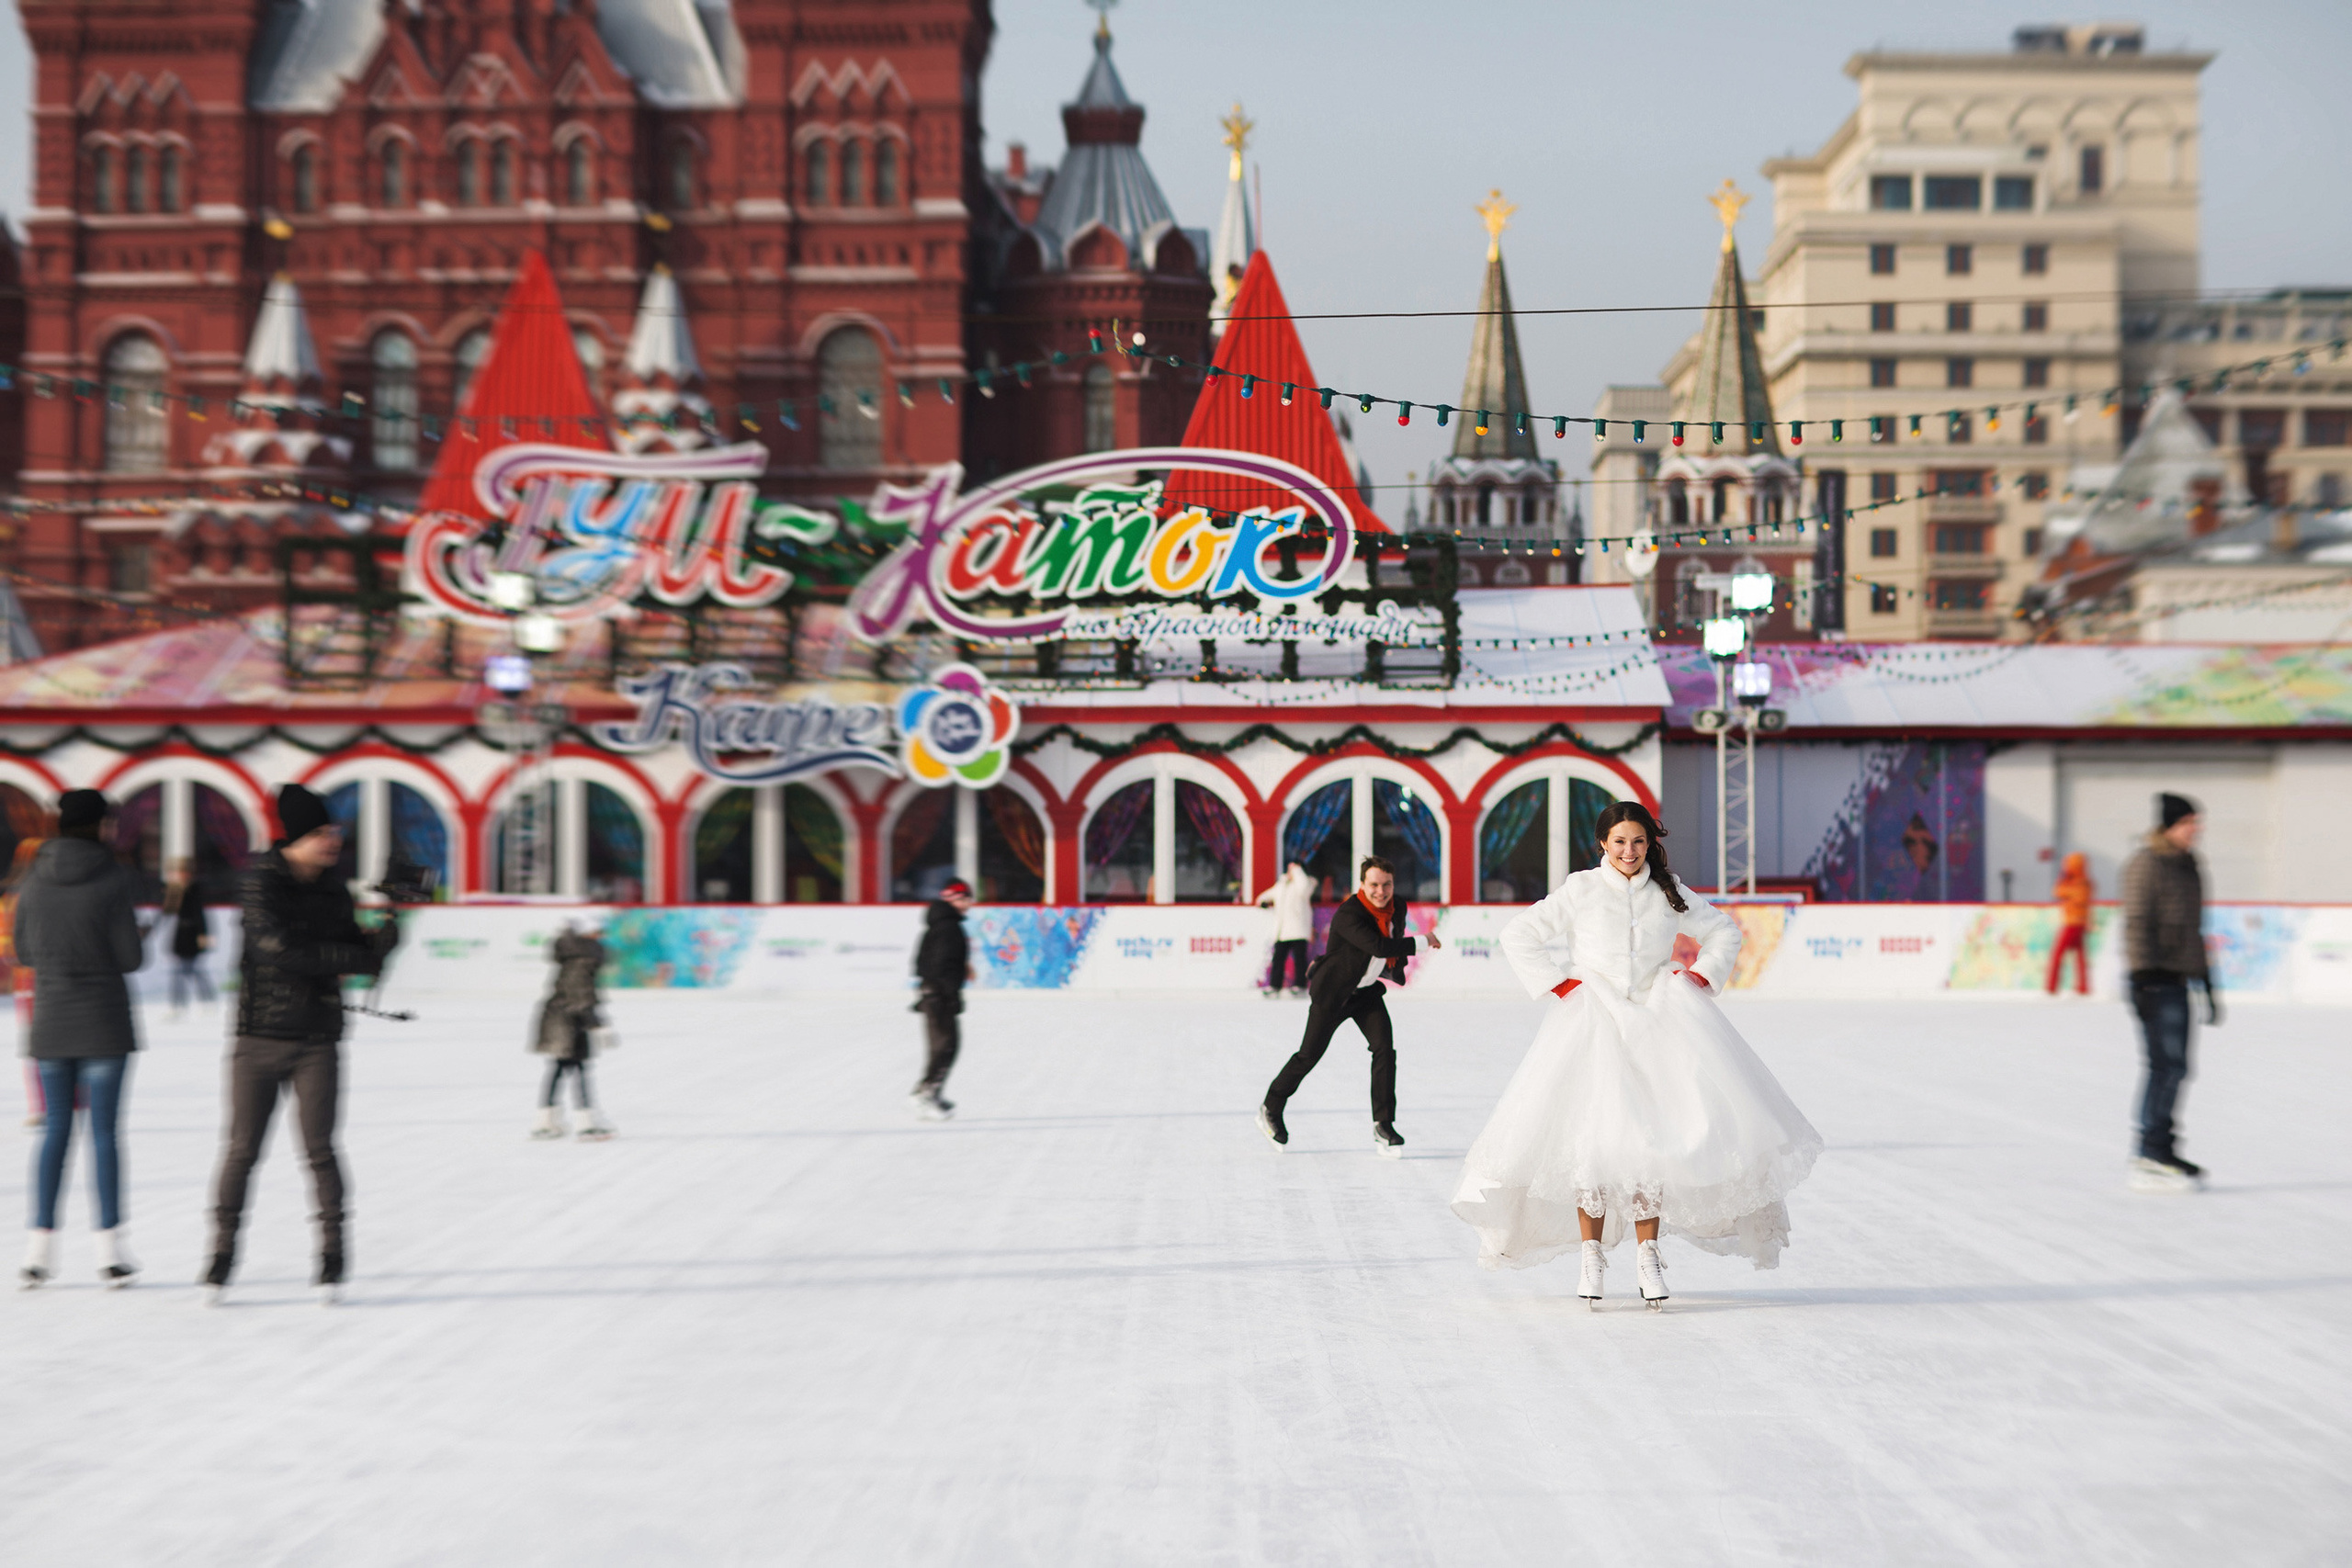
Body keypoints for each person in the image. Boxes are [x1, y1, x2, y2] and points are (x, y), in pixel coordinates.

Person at [1452, 802, 1822, 1312]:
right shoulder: (1581, 889)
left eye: (1639, 842)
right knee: (1594, 1145)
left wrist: (1700, 975)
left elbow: (1724, 931)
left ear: (1651, 844)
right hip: (1593, 1024)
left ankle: (1649, 1253)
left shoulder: (1668, 890)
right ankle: (1592, 1255)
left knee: (1653, 1143)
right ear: (1603, 843)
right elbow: (1520, 933)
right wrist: (1557, 983)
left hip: (1659, 1025)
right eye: (1620, 841)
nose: (1629, 851)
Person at [204, 783, 399, 1305]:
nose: (332, 841)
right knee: (242, 1150)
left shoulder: (335, 891)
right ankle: (221, 1258)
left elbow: (363, 956)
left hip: (317, 1038)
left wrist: (385, 933)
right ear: (294, 838)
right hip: (258, 1039)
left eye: (334, 831)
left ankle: (332, 1259)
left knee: (320, 1150)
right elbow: (276, 949)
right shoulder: (260, 883)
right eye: (320, 833)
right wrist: (350, 956)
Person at [15, 790, 146, 1291]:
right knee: (104, 1134)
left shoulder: (32, 880)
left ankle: (38, 1252)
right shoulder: (114, 878)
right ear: (97, 826)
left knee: (53, 1133)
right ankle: (110, 1252)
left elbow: (24, 951)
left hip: (50, 1021)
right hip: (105, 1021)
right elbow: (130, 957)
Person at [1258, 855, 1438, 1156]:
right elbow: (1379, 946)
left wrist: (1393, 967)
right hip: (1334, 993)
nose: (1381, 891)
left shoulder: (1398, 907)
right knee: (1308, 1055)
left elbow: (1389, 941)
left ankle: (1384, 1124)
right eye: (1374, 885)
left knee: (1384, 1049)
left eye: (1387, 884)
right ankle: (1271, 1106)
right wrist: (1423, 941)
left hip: (1366, 991)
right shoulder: (1348, 914)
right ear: (1362, 886)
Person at [2122, 793, 2217, 1190]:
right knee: (2165, 1067)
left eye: (2198, 822)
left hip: (2179, 979)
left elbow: (2195, 930)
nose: (2196, 830)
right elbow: (2138, 922)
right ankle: (2149, 1151)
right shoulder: (2147, 864)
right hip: (2154, 980)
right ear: (2170, 826)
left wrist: (2207, 982)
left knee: (2176, 1068)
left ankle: (2161, 1147)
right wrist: (2142, 977)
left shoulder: (2189, 866)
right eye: (2189, 823)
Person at [531, 920, 614, 1141]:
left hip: (561, 1019)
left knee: (562, 1069)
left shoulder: (576, 957)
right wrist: (598, 1025)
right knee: (575, 1069)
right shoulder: (583, 960)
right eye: (597, 932)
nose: (601, 937)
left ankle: (548, 1120)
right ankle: (584, 1122)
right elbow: (581, 996)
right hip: (567, 1021)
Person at [910, 879, 974, 1121]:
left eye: (969, 898)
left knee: (946, 1045)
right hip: (939, 995)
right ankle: (924, 1095)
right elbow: (939, 965)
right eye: (964, 898)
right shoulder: (948, 927)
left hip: (935, 993)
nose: (968, 903)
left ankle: (930, 1092)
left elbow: (922, 961)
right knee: (945, 1046)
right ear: (951, 899)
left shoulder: (942, 925)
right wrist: (943, 994)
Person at [163, 859, 216, 1017]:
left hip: (191, 936)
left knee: (190, 972)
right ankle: (186, 1004)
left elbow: (199, 915)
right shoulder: (176, 890)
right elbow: (169, 911)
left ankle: (200, 1003)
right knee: (186, 972)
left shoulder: (194, 890)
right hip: (181, 937)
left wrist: (203, 935)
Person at [1257, 861, 1315, 998]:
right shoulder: (1282, 885)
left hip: (1298, 929)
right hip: (1282, 931)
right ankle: (1275, 985)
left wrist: (1297, 871)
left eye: (1294, 869)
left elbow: (1304, 888)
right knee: (1278, 958)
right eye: (1290, 869)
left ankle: (1300, 985)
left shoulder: (1306, 883)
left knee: (1300, 959)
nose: (1291, 871)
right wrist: (1263, 902)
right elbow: (1265, 896)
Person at [2046, 852, 2093, 997]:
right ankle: (2083, 987)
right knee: (2079, 956)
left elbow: (2065, 893)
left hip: (2073, 923)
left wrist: (2065, 885)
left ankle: (2052, 987)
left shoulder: (2081, 882)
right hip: (2075, 922)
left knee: (2058, 954)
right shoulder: (2074, 881)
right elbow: (2057, 892)